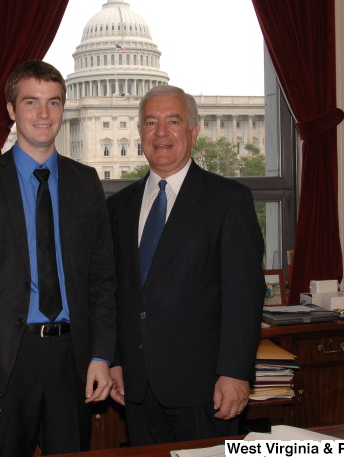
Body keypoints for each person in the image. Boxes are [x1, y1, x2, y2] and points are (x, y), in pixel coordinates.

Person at [0, 60, 116, 456]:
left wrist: (102, 355)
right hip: (5, 361)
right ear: (11, 109)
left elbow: (103, 280)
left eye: (54, 103)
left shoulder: (86, 182)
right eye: (31, 102)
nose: (43, 114)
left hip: (73, 359)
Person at [106, 84, 266, 445]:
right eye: (150, 122)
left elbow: (244, 297)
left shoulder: (228, 201)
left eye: (173, 121)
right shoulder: (118, 207)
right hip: (136, 386)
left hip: (205, 389)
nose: (161, 132)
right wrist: (115, 360)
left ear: (193, 132)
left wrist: (235, 373)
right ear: (140, 133)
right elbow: (112, 294)